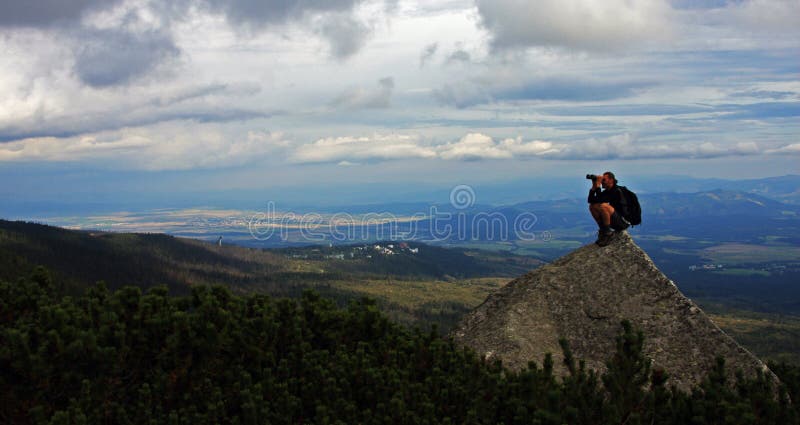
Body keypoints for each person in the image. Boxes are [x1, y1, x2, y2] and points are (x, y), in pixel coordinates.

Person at [588, 171, 629, 246]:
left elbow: (600, 201)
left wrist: (598, 186)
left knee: (603, 206)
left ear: (611, 180)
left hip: (622, 222)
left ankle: (608, 233)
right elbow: (591, 200)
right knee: (592, 206)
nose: (602, 182)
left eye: (604, 180)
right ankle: (603, 230)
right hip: (615, 219)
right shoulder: (607, 191)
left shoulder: (616, 191)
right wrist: (594, 186)